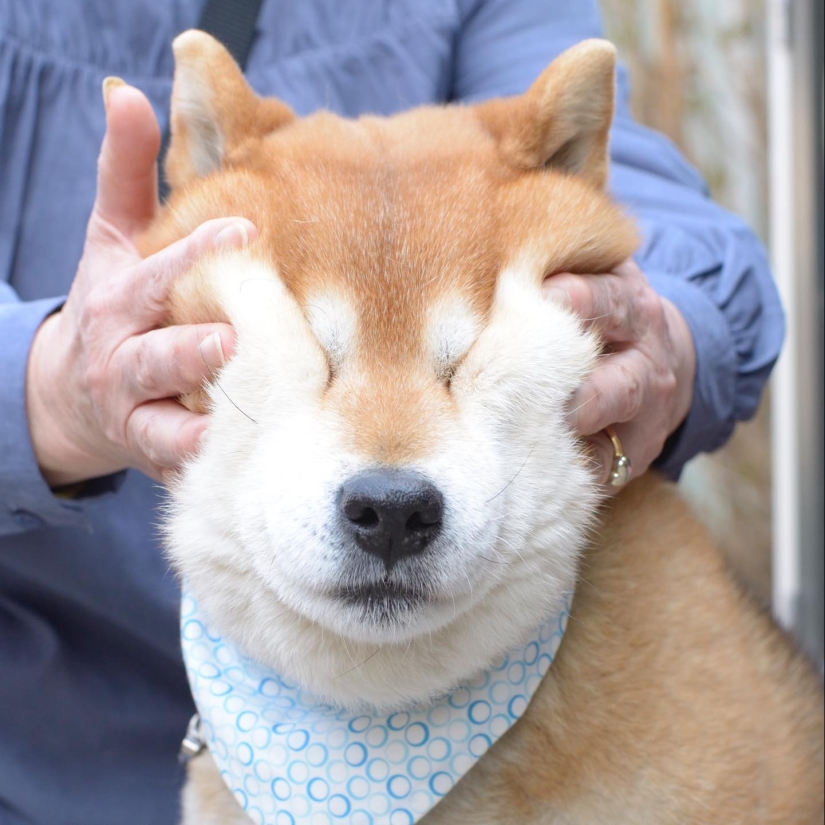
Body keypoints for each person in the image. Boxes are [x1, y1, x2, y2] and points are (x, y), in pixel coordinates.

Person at [0, 1, 783, 823]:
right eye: (315, 357)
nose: (389, 490)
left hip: (543, 678)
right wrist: (47, 393)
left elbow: (644, 201)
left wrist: (659, 335)